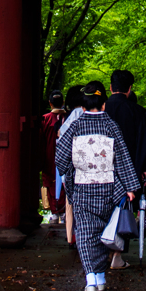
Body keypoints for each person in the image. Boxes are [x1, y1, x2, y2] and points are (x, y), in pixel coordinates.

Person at [56, 81, 141, 291]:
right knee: (105, 234)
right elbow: (122, 158)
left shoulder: (75, 126)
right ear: (104, 105)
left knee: (85, 234)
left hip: (82, 187)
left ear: (82, 108)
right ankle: (101, 277)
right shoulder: (111, 126)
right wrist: (130, 187)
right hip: (108, 188)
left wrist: (70, 169)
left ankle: (91, 279)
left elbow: (60, 159)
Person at [102, 69, 146, 269]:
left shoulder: (101, 109)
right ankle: (117, 253)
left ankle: (100, 251)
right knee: (124, 211)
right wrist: (143, 169)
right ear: (129, 89)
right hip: (129, 171)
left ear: (110, 87)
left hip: (102, 169)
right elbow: (144, 144)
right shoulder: (137, 111)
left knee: (102, 210)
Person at [58, 86, 85, 245]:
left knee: (70, 204)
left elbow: (61, 135)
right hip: (85, 167)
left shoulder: (71, 116)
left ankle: (70, 237)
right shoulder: (84, 113)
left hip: (71, 166)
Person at [40, 90, 67, 223]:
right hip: (67, 157)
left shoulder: (45, 119)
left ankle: (54, 211)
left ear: (50, 103)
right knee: (65, 182)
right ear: (62, 102)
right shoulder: (68, 118)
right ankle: (64, 211)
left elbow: (40, 140)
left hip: (50, 156)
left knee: (50, 182)